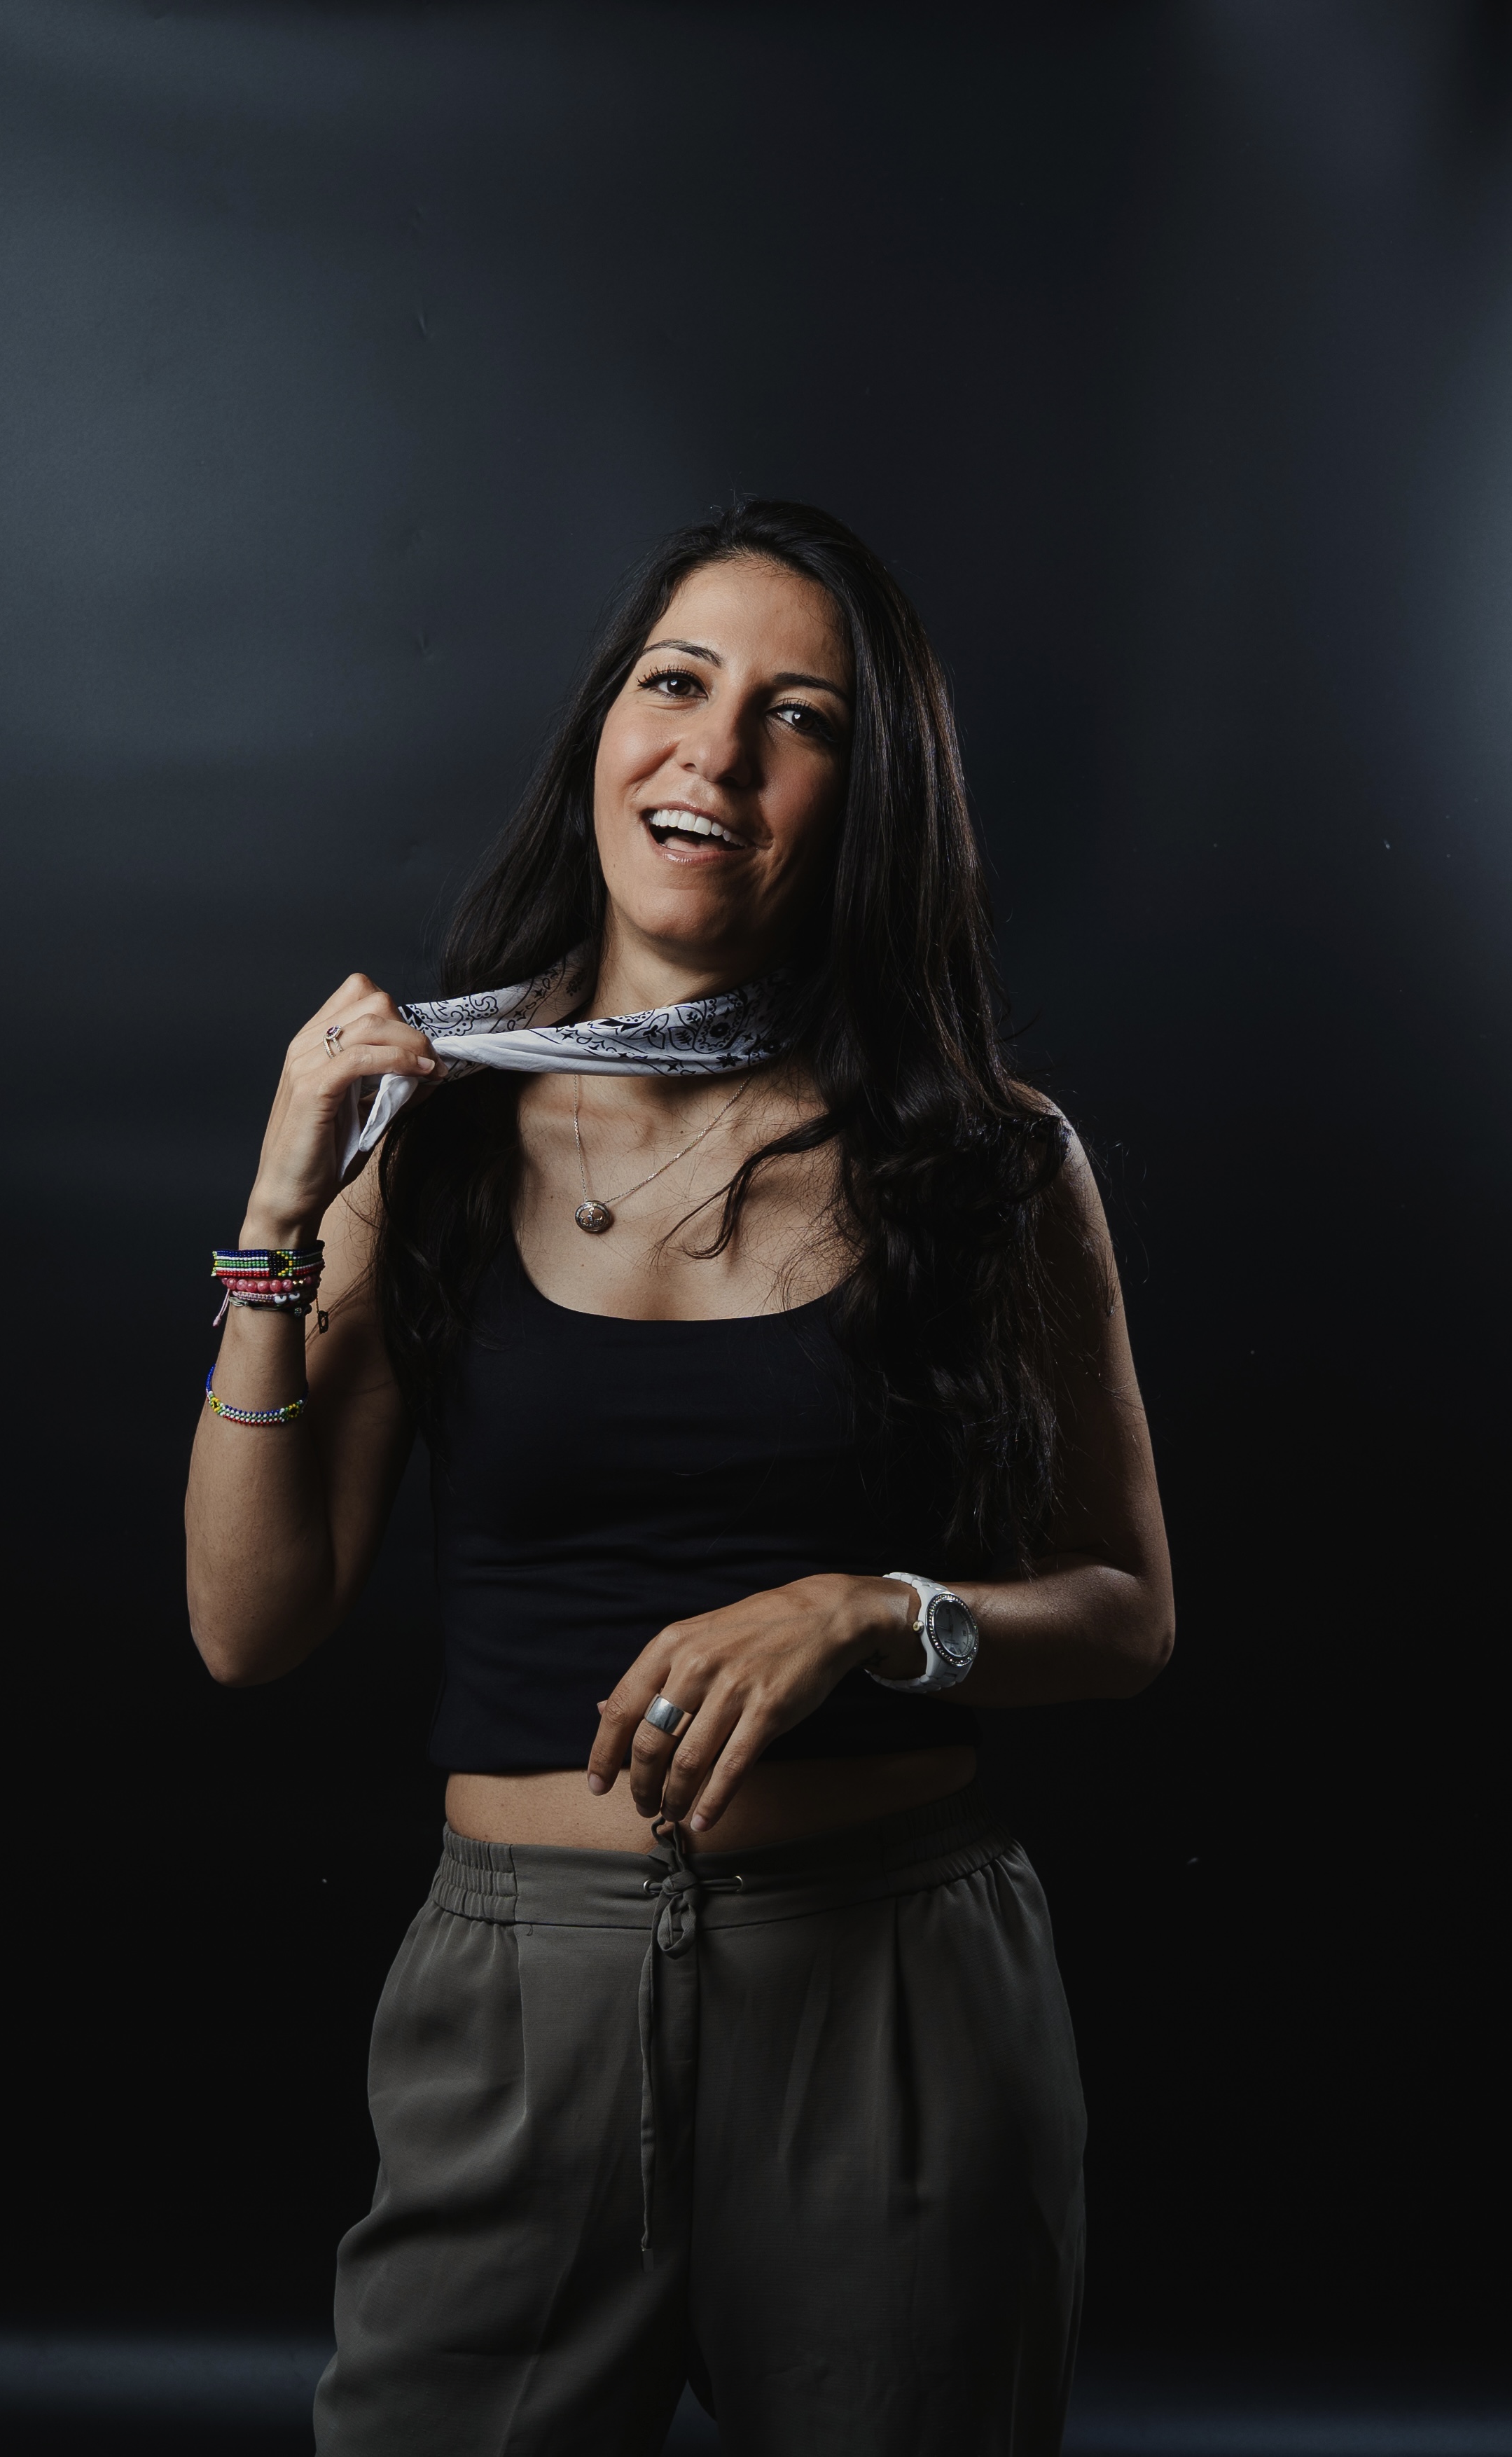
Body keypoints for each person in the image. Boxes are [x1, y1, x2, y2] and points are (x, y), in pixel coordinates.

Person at [183, 499, 1174, 2457]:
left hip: (890, 2003)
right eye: (675, 683)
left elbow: (1127, 1615)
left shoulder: (990, 1157)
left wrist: (870, 1614)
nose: (714, 754)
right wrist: (277, 1216)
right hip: (512, 2015)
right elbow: (247, 1622)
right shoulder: (435, 1137)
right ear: (602, 739)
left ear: (864, 793)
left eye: (795, 716)